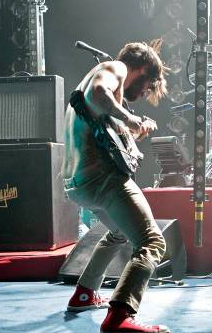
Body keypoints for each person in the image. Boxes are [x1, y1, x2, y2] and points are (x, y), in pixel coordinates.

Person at [63, 41, 170, 333]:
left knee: (119, 233)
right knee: (152, 242)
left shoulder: (98, 80)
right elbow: (100, 93)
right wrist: (132, 119)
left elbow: (101, 116)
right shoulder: (115, 68)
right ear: (143, 69)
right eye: (148, 85)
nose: (145, 93)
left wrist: (130, 131)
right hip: (103, 179)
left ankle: (84, 294)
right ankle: (119, 316)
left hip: (78, 183)